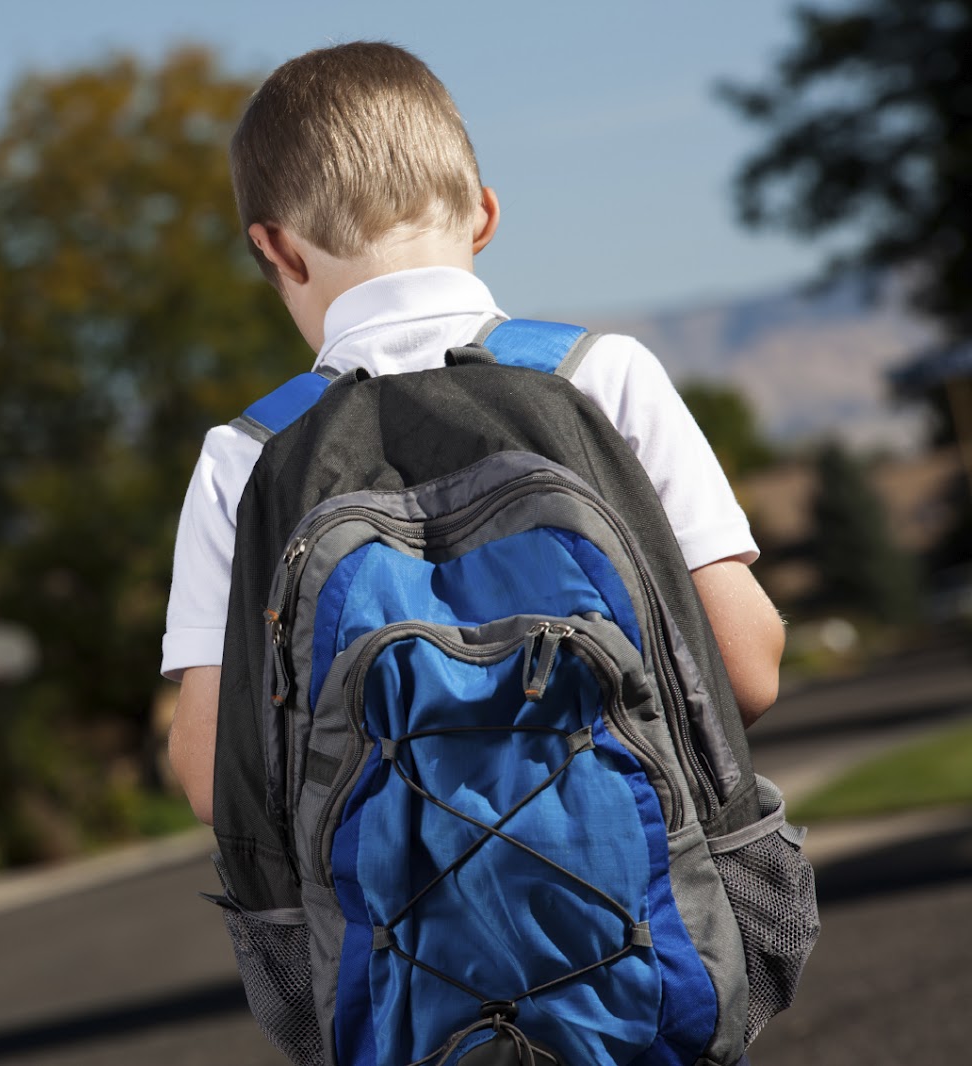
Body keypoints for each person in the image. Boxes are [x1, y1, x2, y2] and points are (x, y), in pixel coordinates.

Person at [161, 41, 785, 826]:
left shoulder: (248, 456)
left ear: (277, 247)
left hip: (383, 937)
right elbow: (745, 667)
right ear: (484, 214)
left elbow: (209, 772)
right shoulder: (598, 377)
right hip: (647, 908)